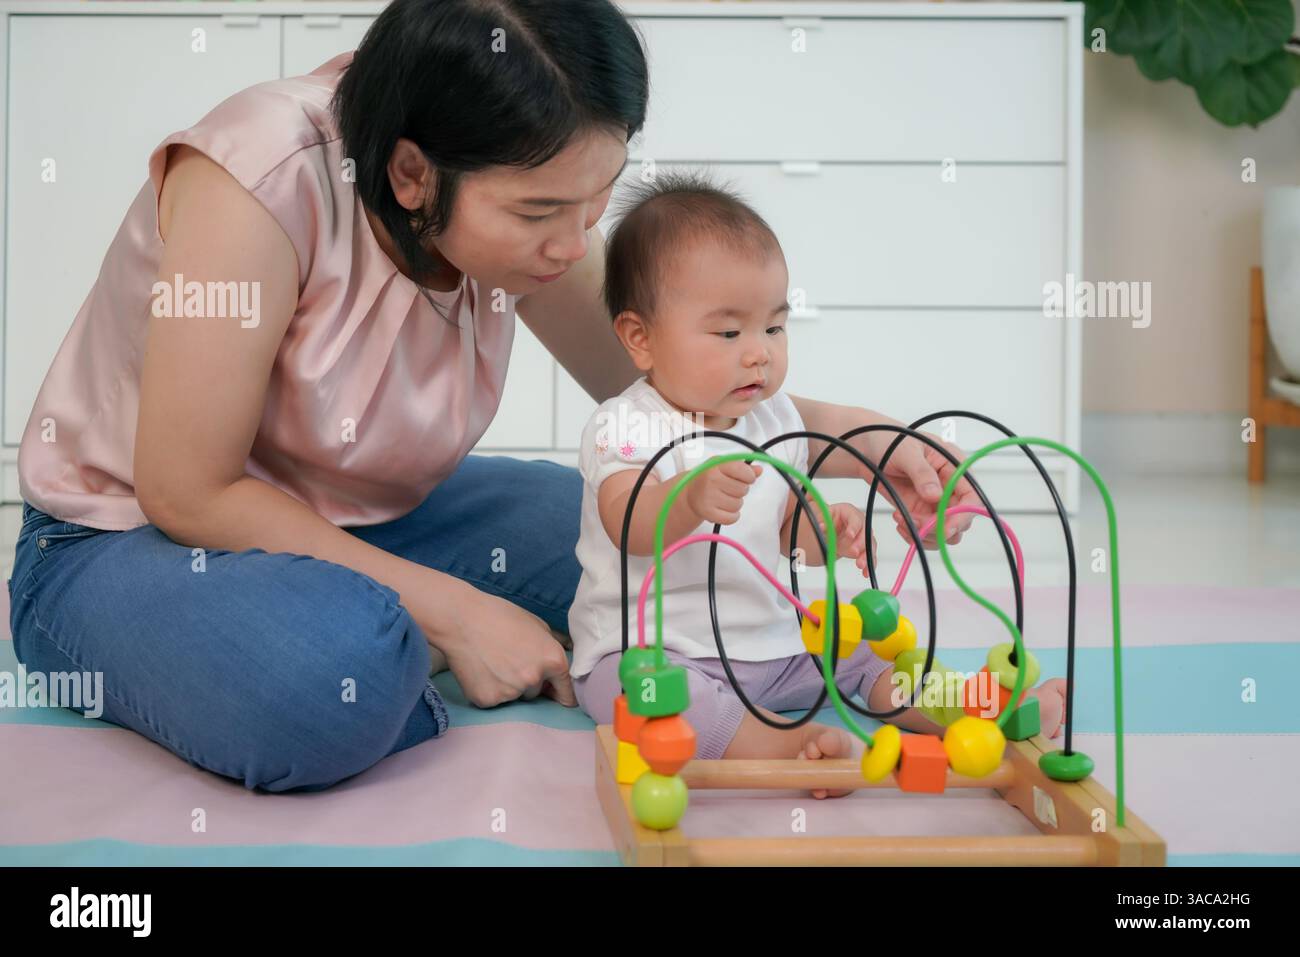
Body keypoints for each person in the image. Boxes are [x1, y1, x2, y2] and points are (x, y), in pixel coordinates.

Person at [568, 173, 1065, 796]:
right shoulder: (626, 424)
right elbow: (629, 523)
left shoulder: (773, 419)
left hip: (778, 648)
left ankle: (966, 707)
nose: (759, 354)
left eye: (774, 328)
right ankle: (772, 746)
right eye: (729, 333)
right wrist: (688, 499)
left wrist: (821, 531)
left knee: (863, 652)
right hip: (655, 653)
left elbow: (791, 536)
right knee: (656, 699)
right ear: (640, 338)